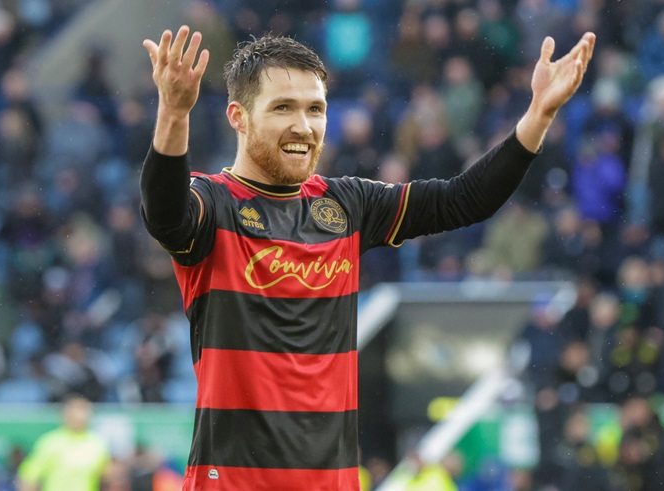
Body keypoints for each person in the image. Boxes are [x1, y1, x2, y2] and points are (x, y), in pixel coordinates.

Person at [139, 25, 595, 491]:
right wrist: (174, 113)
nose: (304, 126)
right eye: (283, 108)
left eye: (315, 109)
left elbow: (464, 200)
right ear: (239, 117)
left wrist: (538, 115)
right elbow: (164, 214)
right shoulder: (214, 204)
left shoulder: (347, 205)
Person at [15, 395, 110, 491]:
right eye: (75, 411)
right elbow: (28, 477)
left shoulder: (97, 443)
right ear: (65, 414)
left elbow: (106, 478)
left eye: (83, 411)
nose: (79, 416)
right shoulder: (50, 442)